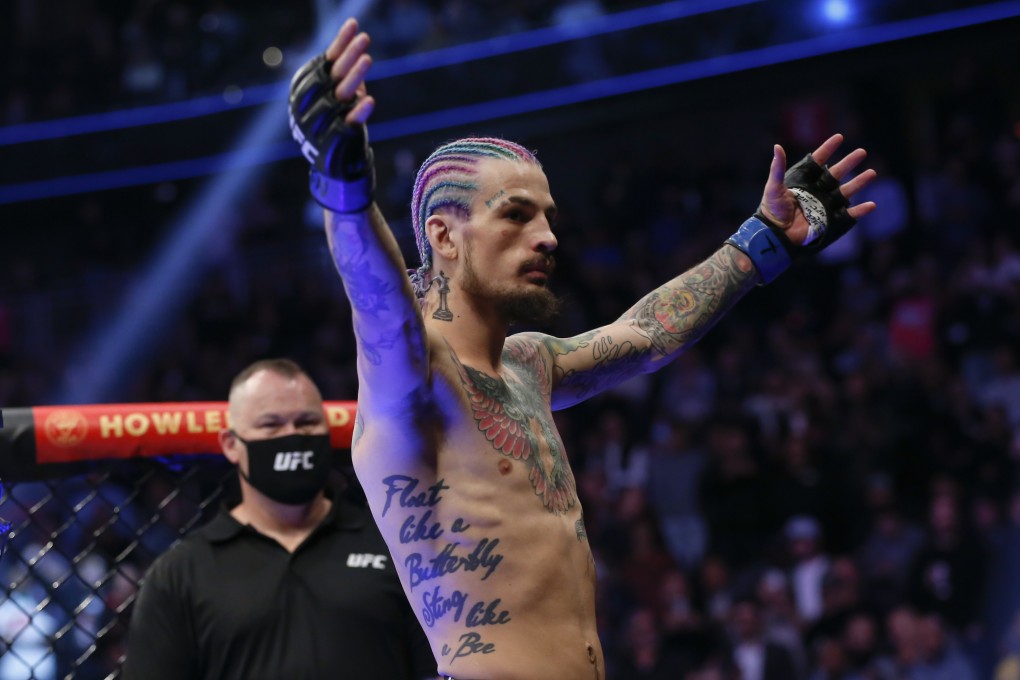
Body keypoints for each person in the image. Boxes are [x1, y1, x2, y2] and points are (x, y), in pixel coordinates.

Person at [287, 18, 877, 680]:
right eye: (515, 215)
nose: (546, 238)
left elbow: (650, 334)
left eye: (547, 218)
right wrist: (342, 188)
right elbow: (379, 304)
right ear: (444, 237)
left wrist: (763, 241)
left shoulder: (530, 365)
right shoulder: (415, 378)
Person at [121, 358, 437, 680]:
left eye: (307, 422)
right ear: (232, 445)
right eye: (271, 425)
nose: (293, 435)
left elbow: (436, 669)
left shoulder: (394, 549)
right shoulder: (180, 574)